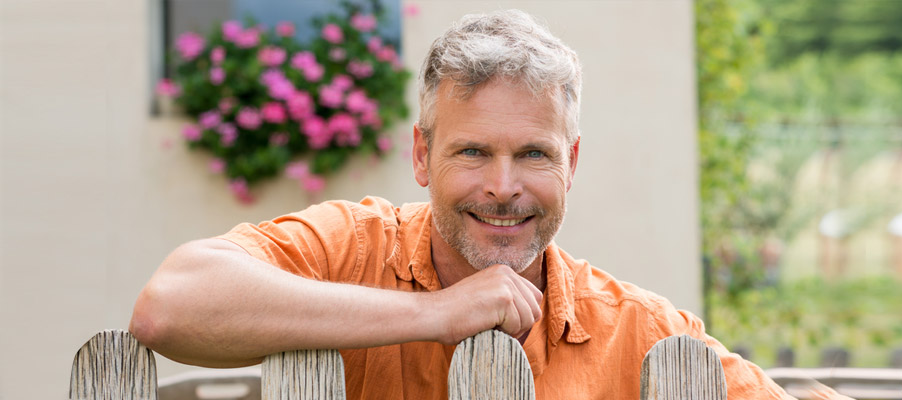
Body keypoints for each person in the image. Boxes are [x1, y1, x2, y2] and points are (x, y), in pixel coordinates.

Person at [130, 10, 843, 399]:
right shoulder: (349, 249)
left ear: (571, 163)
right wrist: (433, 314)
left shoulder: (643, 333)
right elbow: (170, 308)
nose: (503, 186)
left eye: (532, 154)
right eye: (472, 152)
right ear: (420, 156)